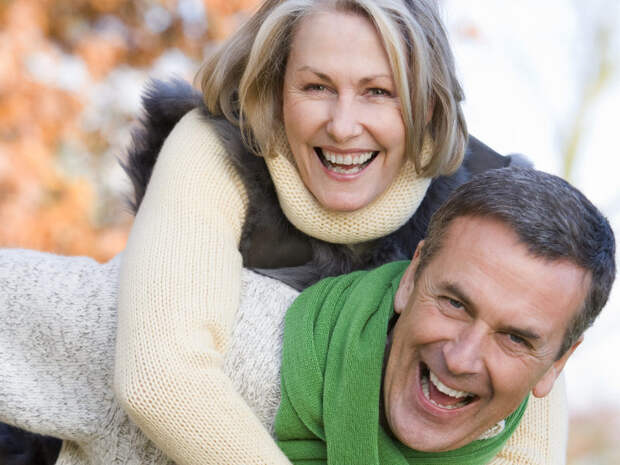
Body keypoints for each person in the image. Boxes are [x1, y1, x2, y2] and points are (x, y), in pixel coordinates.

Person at [112, 1, 554, 463]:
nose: (343, 127)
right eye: (316, 86)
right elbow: (161, 377)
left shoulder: (494, 203)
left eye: (379, 92)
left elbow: (526, 448)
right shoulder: (211, 151)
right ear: (275, 89)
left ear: (426, 104)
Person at [1, 168, 614, 465]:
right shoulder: (230, 347)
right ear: (411, 277)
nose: (460, 357)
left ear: (557, 364)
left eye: (514, 338)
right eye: (454, 303)